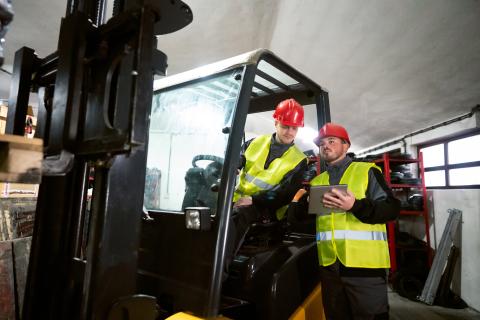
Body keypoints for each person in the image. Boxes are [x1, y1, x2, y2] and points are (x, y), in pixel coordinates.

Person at [289, 122, 400, 319]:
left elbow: (391, 209)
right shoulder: (318, 182)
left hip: (365, 268)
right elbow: (312, 224)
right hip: (330, 267)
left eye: (331, 141)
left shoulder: (367, 171)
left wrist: (355, 206)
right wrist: (296, 203)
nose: (325, 146)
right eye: (322, 143)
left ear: (346, 145)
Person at [225, 98, 308, 271]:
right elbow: (238, 159)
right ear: (276, 122)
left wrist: (254, 200)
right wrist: (233, 167)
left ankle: (219, 268)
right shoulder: (254, 143)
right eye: (285, 126)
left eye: (294, 128)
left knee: (237, 217)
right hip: (237, 199)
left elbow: (285, 195)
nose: (289, 132)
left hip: (267, 208)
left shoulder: (299, 161)